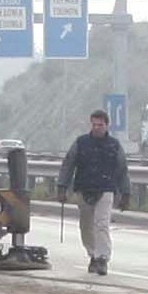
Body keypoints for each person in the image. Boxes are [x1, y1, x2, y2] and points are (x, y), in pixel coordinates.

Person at [60, 108, 130, 274]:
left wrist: (125, 194)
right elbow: (68, 165)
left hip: (106, 190)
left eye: (100, 124)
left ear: (107, 125)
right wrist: (62, 187)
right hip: (84, 189)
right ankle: (92, 254)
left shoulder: (114, 145)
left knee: (101, 224)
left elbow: (122, 169)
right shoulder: (80, 143)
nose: (97, 127)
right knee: (86, 226)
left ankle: (102, 258)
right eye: (94, 124)